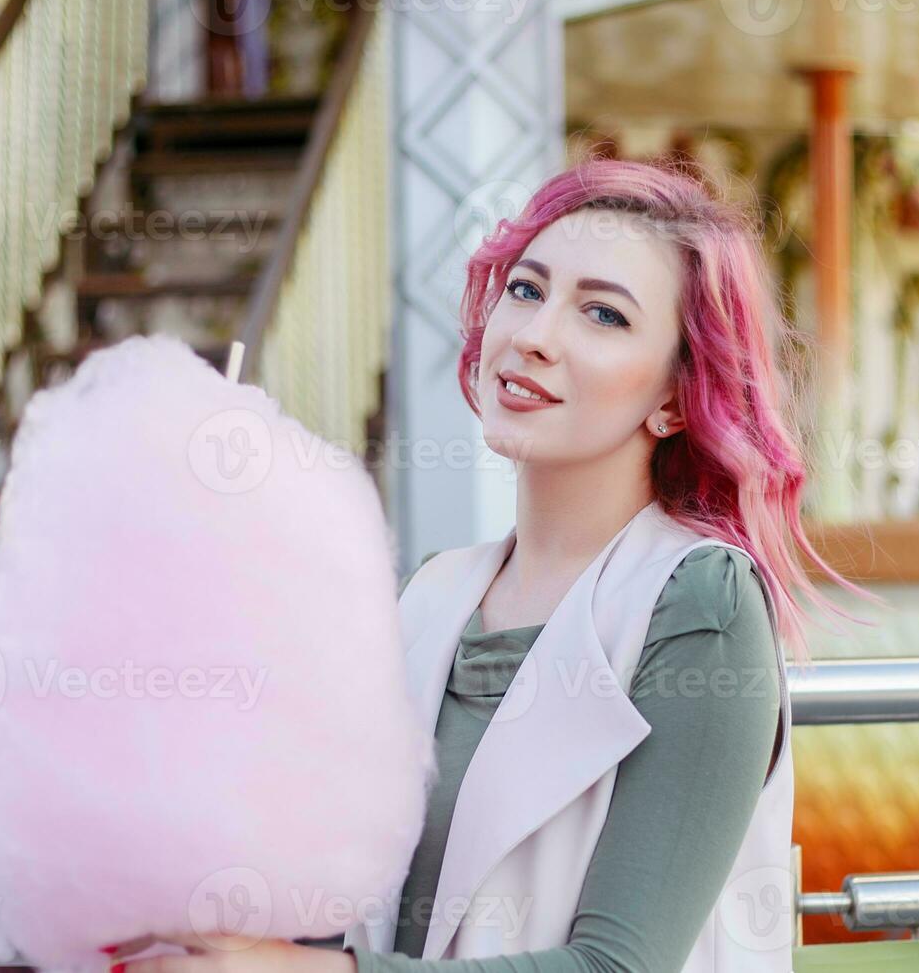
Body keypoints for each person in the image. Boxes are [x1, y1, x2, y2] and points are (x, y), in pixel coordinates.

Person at [120, 156, 873, 973]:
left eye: (604, 315)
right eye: (526, 289)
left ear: (674, 397)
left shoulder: (701, 601)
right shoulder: (433, 594)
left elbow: (620, 967)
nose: (535, 336)